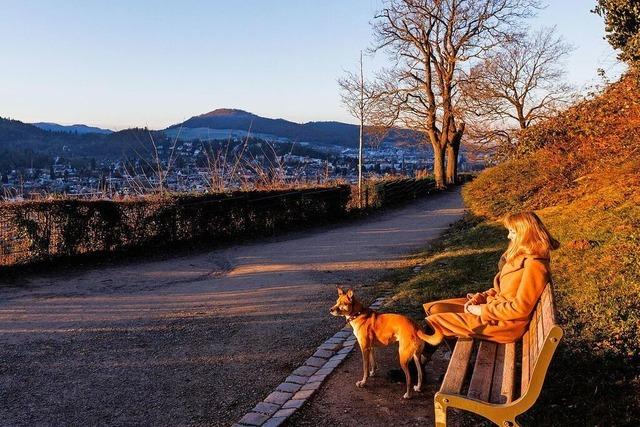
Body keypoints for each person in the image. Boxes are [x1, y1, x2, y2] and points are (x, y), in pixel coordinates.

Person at [421, 211, 560, 348]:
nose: (508, 236)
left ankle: (417, 368)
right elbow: (501, 290)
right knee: (435, 309)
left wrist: (481, 310)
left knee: (434, 322)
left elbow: (520, 308)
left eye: (512, 232)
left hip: (504, 324)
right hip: (495, 310)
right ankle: (445, 351)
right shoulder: (522, 257)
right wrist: (479, 299)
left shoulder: (535, 265)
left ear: (525, 234)